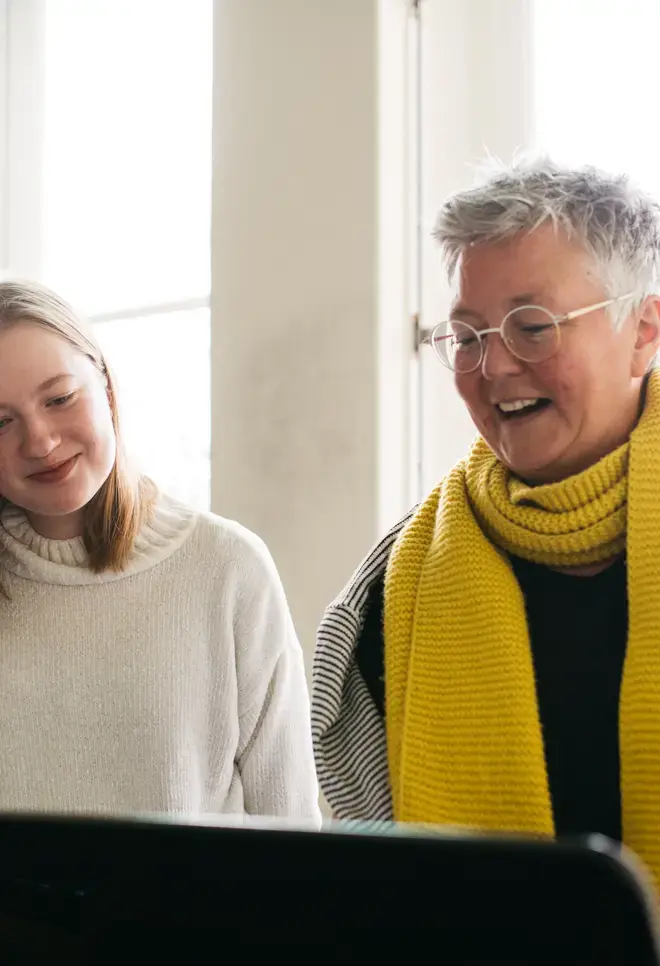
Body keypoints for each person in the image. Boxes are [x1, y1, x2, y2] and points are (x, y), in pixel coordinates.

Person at [312, 158, 660, 889]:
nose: (493, 366)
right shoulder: (384, 599)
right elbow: (380, 893)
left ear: (644, 330)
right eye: (467, 337)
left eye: (532, 327)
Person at [0, 280, 320, 823]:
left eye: (59, 398)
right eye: (0, 421)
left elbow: (289, 827)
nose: (41, 442)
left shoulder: (227, 569)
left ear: (105, 383)